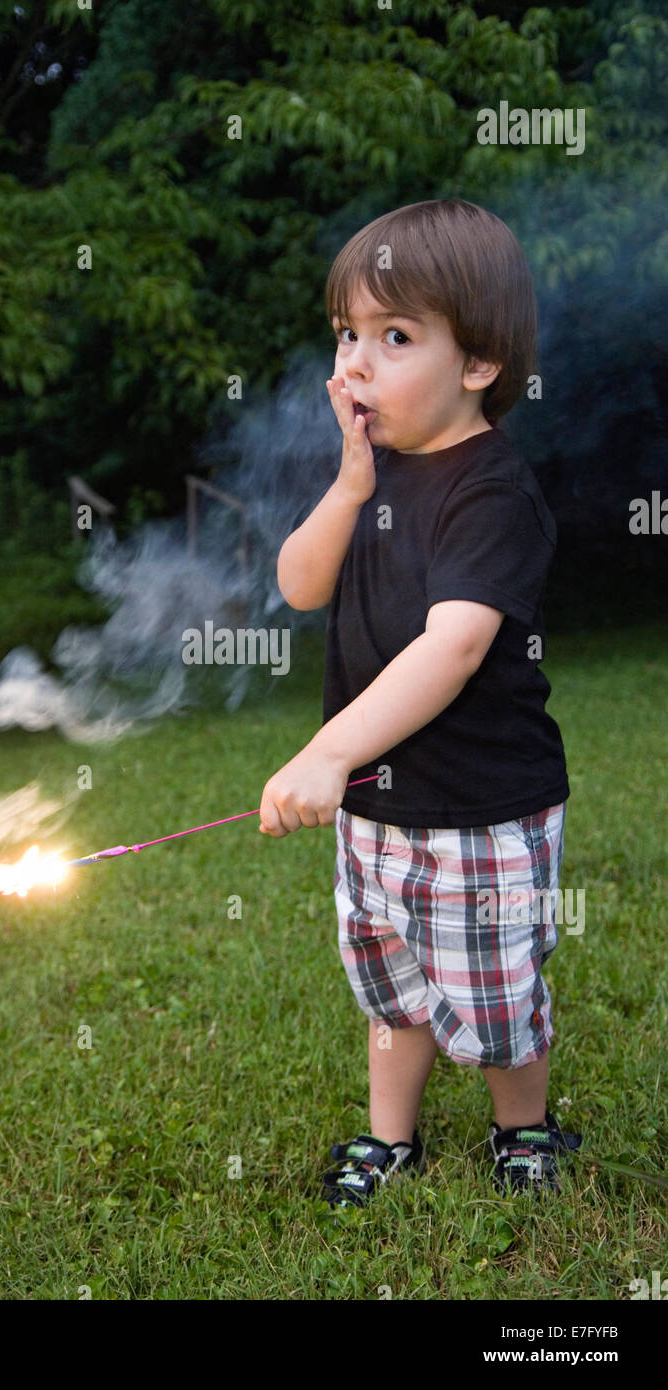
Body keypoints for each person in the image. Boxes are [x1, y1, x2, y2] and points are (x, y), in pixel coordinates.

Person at [259, 198, 582, 1208]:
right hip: (378, 807)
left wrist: (326, 749)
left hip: (481, 808)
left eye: (393, 337)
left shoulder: (491, 492)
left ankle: (521, 1129)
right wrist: (349, 485)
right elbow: (298, 585)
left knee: (493, 989)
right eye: (346, 335)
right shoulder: (374, 476)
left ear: (477, 361)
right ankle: (389, 1136)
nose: (356, 363)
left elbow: (452, 649)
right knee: (390, 985)